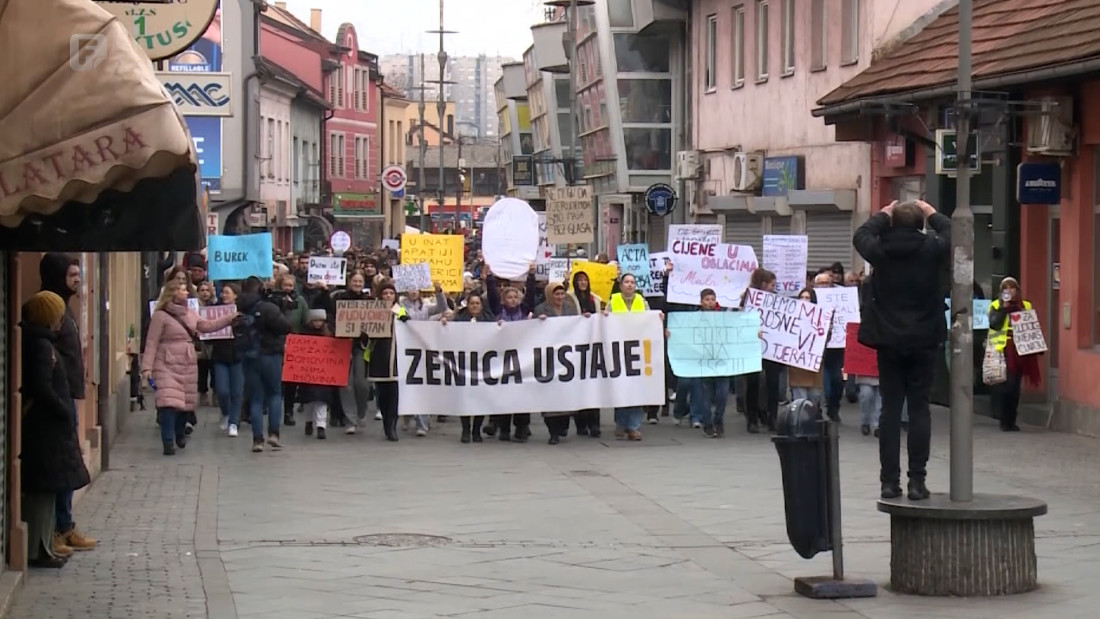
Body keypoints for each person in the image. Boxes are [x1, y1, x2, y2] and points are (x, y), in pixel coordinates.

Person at [853, 199, 950, 501]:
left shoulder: (880, 250)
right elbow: (955, 232)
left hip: (889, 340)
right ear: (920, 223)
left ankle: (889, 481)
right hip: (924, 338)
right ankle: (917, 481)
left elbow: (860, 234)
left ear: (892, 223)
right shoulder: (932, 248)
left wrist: (883, 215)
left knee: (890, 410)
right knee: (919, 409)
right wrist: (933, 213)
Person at [19, 291, 92, 568]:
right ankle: (40, 547)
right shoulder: (41, 346)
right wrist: (62, 408)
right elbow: (41, 386)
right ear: (48, 317)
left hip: (49, 429)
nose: (61, 319)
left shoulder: (44, 342)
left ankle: (46, 544)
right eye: (58, 314)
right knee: (44, 488)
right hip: (46, 429)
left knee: (49, 488)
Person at [37, 253, 97, 555]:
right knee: (61, 465)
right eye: (72, 275)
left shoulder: (65, 307)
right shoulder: (49, 308)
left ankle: (64, 525)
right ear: (58, 276)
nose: (78, 280)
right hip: (59, 398)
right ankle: (59, 528)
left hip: (67, 394)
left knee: (66, 463)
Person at [142, 278, 239, 455]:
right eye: (183, 290)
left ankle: (179, 433)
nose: (187, 292)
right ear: (173, 293)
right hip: (165, 362)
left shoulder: (190, 313)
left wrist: (230, 318)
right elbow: (152, 342)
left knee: (184, 403)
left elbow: (207, 326)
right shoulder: (160, 316)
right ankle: (168, 441)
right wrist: (147, 367)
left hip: (186, 362)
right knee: (167, 402)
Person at [236, 276, 294, 452]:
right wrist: (282, 309)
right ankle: (274, 434)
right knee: (275, 394)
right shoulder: (267, 307)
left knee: (255, 398)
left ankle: (257, 440)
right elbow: (286, 327)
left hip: (249, 356)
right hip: (270, 354)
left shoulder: (240, 309)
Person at [987, 277, 1042, 432]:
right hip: (1001, 350)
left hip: (1018, 350)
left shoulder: (1025, 305)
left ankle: (1011, 420)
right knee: (1004, 386)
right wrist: (1004, 308)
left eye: (1012, 288)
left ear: (1017, 290)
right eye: (1006, 288)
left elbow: (1031, 327)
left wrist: (1036, 345)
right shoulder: (995, 305)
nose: (1009, 291)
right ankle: (1004, 419)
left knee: (1015, 386)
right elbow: (994, 324)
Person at [442, 294, 496, 443]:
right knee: (464, 398)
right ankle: (465, 430)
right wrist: (445, 324)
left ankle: (476, 430)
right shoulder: (459, 319)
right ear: (468, 305)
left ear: (482, 305)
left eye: (477, 303)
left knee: (480, 399)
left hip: (482, 366)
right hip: (464, 365)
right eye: (472, 303)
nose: (474, 306)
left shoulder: (489, 320)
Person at [533, 281, 580, 444]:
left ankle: (563, 426)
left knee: (565, 395)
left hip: (566, 358)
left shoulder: (570, 308)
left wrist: (586, 319)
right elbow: (532, 330)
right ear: (549, 295)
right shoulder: (540, 309)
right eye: (556, 294)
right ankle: (553, 432)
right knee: (550, 396)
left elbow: (578, 326)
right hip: (548, 357)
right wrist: (538, 321)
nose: (560, 297)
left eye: (562, 294)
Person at [399, 281, 448, 436]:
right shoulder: (400, 307)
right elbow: (396, 317)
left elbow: (442, 308)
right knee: (408, 385)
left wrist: (439, 292)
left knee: (421, 385)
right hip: (405, 350)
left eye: (416, 289)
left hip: (423, 349)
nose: (414, 292)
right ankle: (407, 415)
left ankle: (422, 423)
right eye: (410, 289)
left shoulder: (426, 307)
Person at [607, 273, 652, 441]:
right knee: (621, 388)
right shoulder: (613, 302)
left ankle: (634, 426)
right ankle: (620, 424)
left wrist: (658, 318)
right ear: (621, 285)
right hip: (619, 350)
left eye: (632, 282)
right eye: (626, 282)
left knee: (637, 389)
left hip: (639, 350)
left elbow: (649, 320)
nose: (630, 284)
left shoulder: (642, 301)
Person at [365, 279, 407, 441]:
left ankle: (392, 426)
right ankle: (386, 423)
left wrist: (401, 316)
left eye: (391, 293)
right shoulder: (374, 310)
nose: (388, 296)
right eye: (385, 293)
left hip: (397, 357)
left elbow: (408, 322)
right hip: (380, 356)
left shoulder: (400, 310)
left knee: (395, 394)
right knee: (382, 393)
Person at [569, 271, 604, 437]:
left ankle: (594, 424)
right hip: (577, 346)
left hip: (593, 344)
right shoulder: (569, 298)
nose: (583, 283)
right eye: (580, 280)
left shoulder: (594, 299)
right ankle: (581, 423)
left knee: (594, 385)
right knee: (580, 386)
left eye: (585, 280)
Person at [299, 309, 341, 440]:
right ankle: (309, 421)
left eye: (320, 321)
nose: (318, 323)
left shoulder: (329, 333)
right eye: (315, 320)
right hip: (308, 373)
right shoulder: (304, 333)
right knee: (309, 401)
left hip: (324, 374)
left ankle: (321, 426)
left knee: (322, 401)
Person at [212, 283, 245, 437]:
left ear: (236, 295)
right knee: (222, 390)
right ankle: (225, 413)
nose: (223, 295)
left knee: (237, 392)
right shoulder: (214, 310)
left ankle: (233, 422)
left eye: (227, 292)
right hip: (220, 355)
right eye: (223, 292)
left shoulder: (242, 312)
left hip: (238, 356)